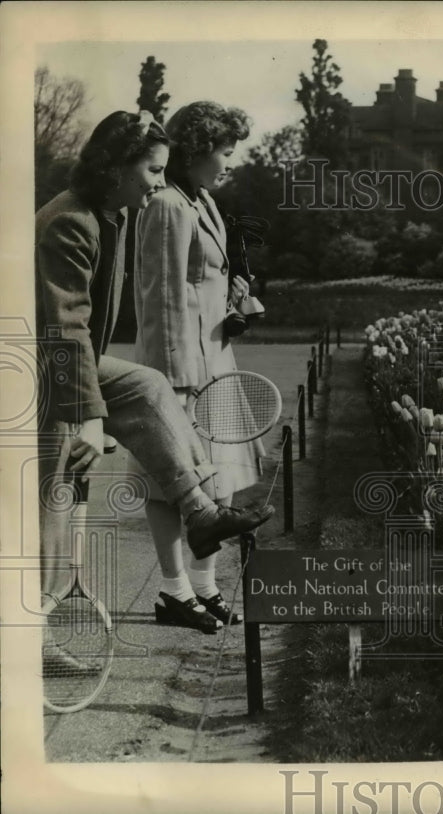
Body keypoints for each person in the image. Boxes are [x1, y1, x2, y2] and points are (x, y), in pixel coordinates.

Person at [35, 111, 275, 659]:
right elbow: (66, 325)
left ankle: (201, 512)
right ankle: (39, 635)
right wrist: (92, 419)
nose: (159, 183)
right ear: (115, 166)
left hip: (72, 362)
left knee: (145, 385)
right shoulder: (70, 221)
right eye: (151, 170)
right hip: (39, 369)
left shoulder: (108, 214)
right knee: (55, 494)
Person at [132, 101, 264, 633]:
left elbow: (195, 284)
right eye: (225, 151)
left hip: (216, 359)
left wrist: (230, 305)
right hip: (181, 368)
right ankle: (174, 592)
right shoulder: (166, 205)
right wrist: (173, 384)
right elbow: (161, 300)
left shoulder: (202, 200)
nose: (230, 161)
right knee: (172, 481)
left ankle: (205, 587)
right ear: (197, 150)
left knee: (223, 481)